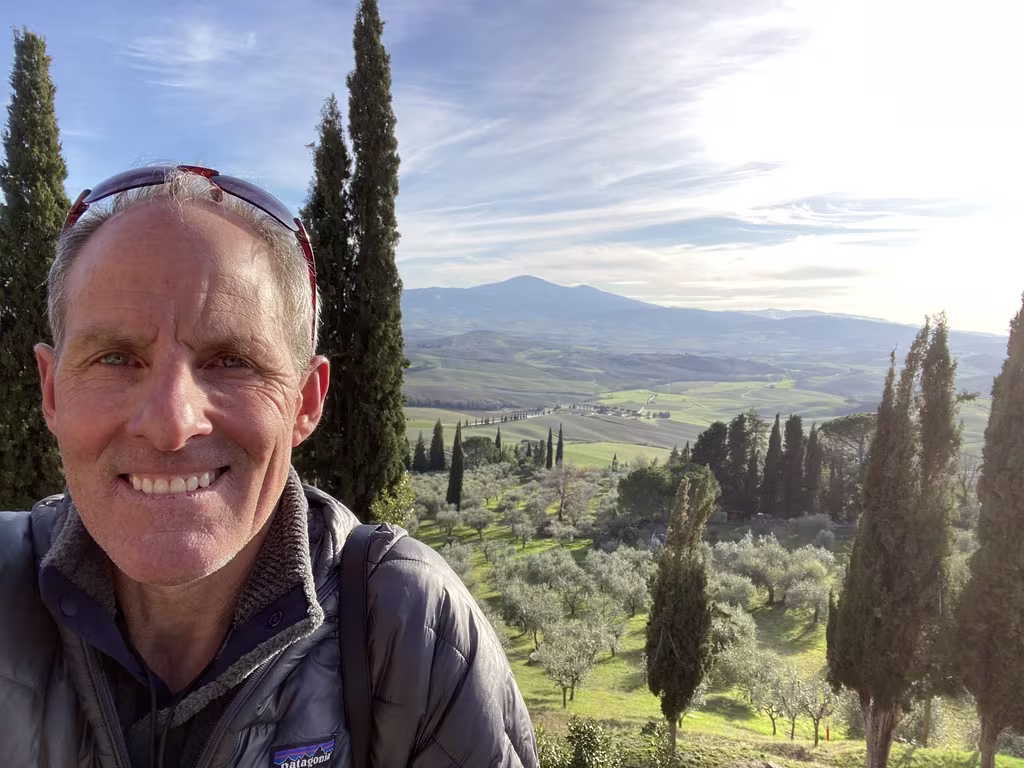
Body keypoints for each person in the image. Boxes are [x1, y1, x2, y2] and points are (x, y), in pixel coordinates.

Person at [0, 165, 538, 767]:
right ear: (51, 392)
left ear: (305, 402)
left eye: (231, 360)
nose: (172, 424)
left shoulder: (414, 633)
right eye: (117, 358)